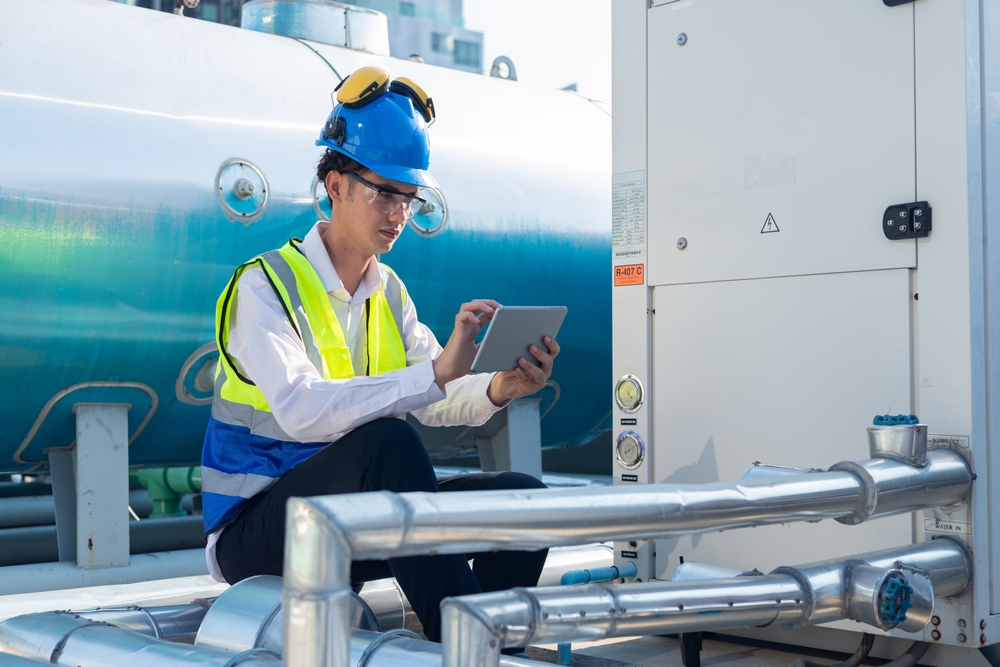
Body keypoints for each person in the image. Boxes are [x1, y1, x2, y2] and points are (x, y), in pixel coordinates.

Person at [200, 66, 560, 643]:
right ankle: (471, 643)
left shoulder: (388, 291)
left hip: (349, 520)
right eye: (384, 192)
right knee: (388, 443)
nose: (398, 213)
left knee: (522, 502)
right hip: (257, 531)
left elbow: (436, 394)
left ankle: (480, 638)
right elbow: (301, 411)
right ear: (335, 184)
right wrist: (432, 375)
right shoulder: (263, 287)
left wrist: (499, 387)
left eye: (409, 197)